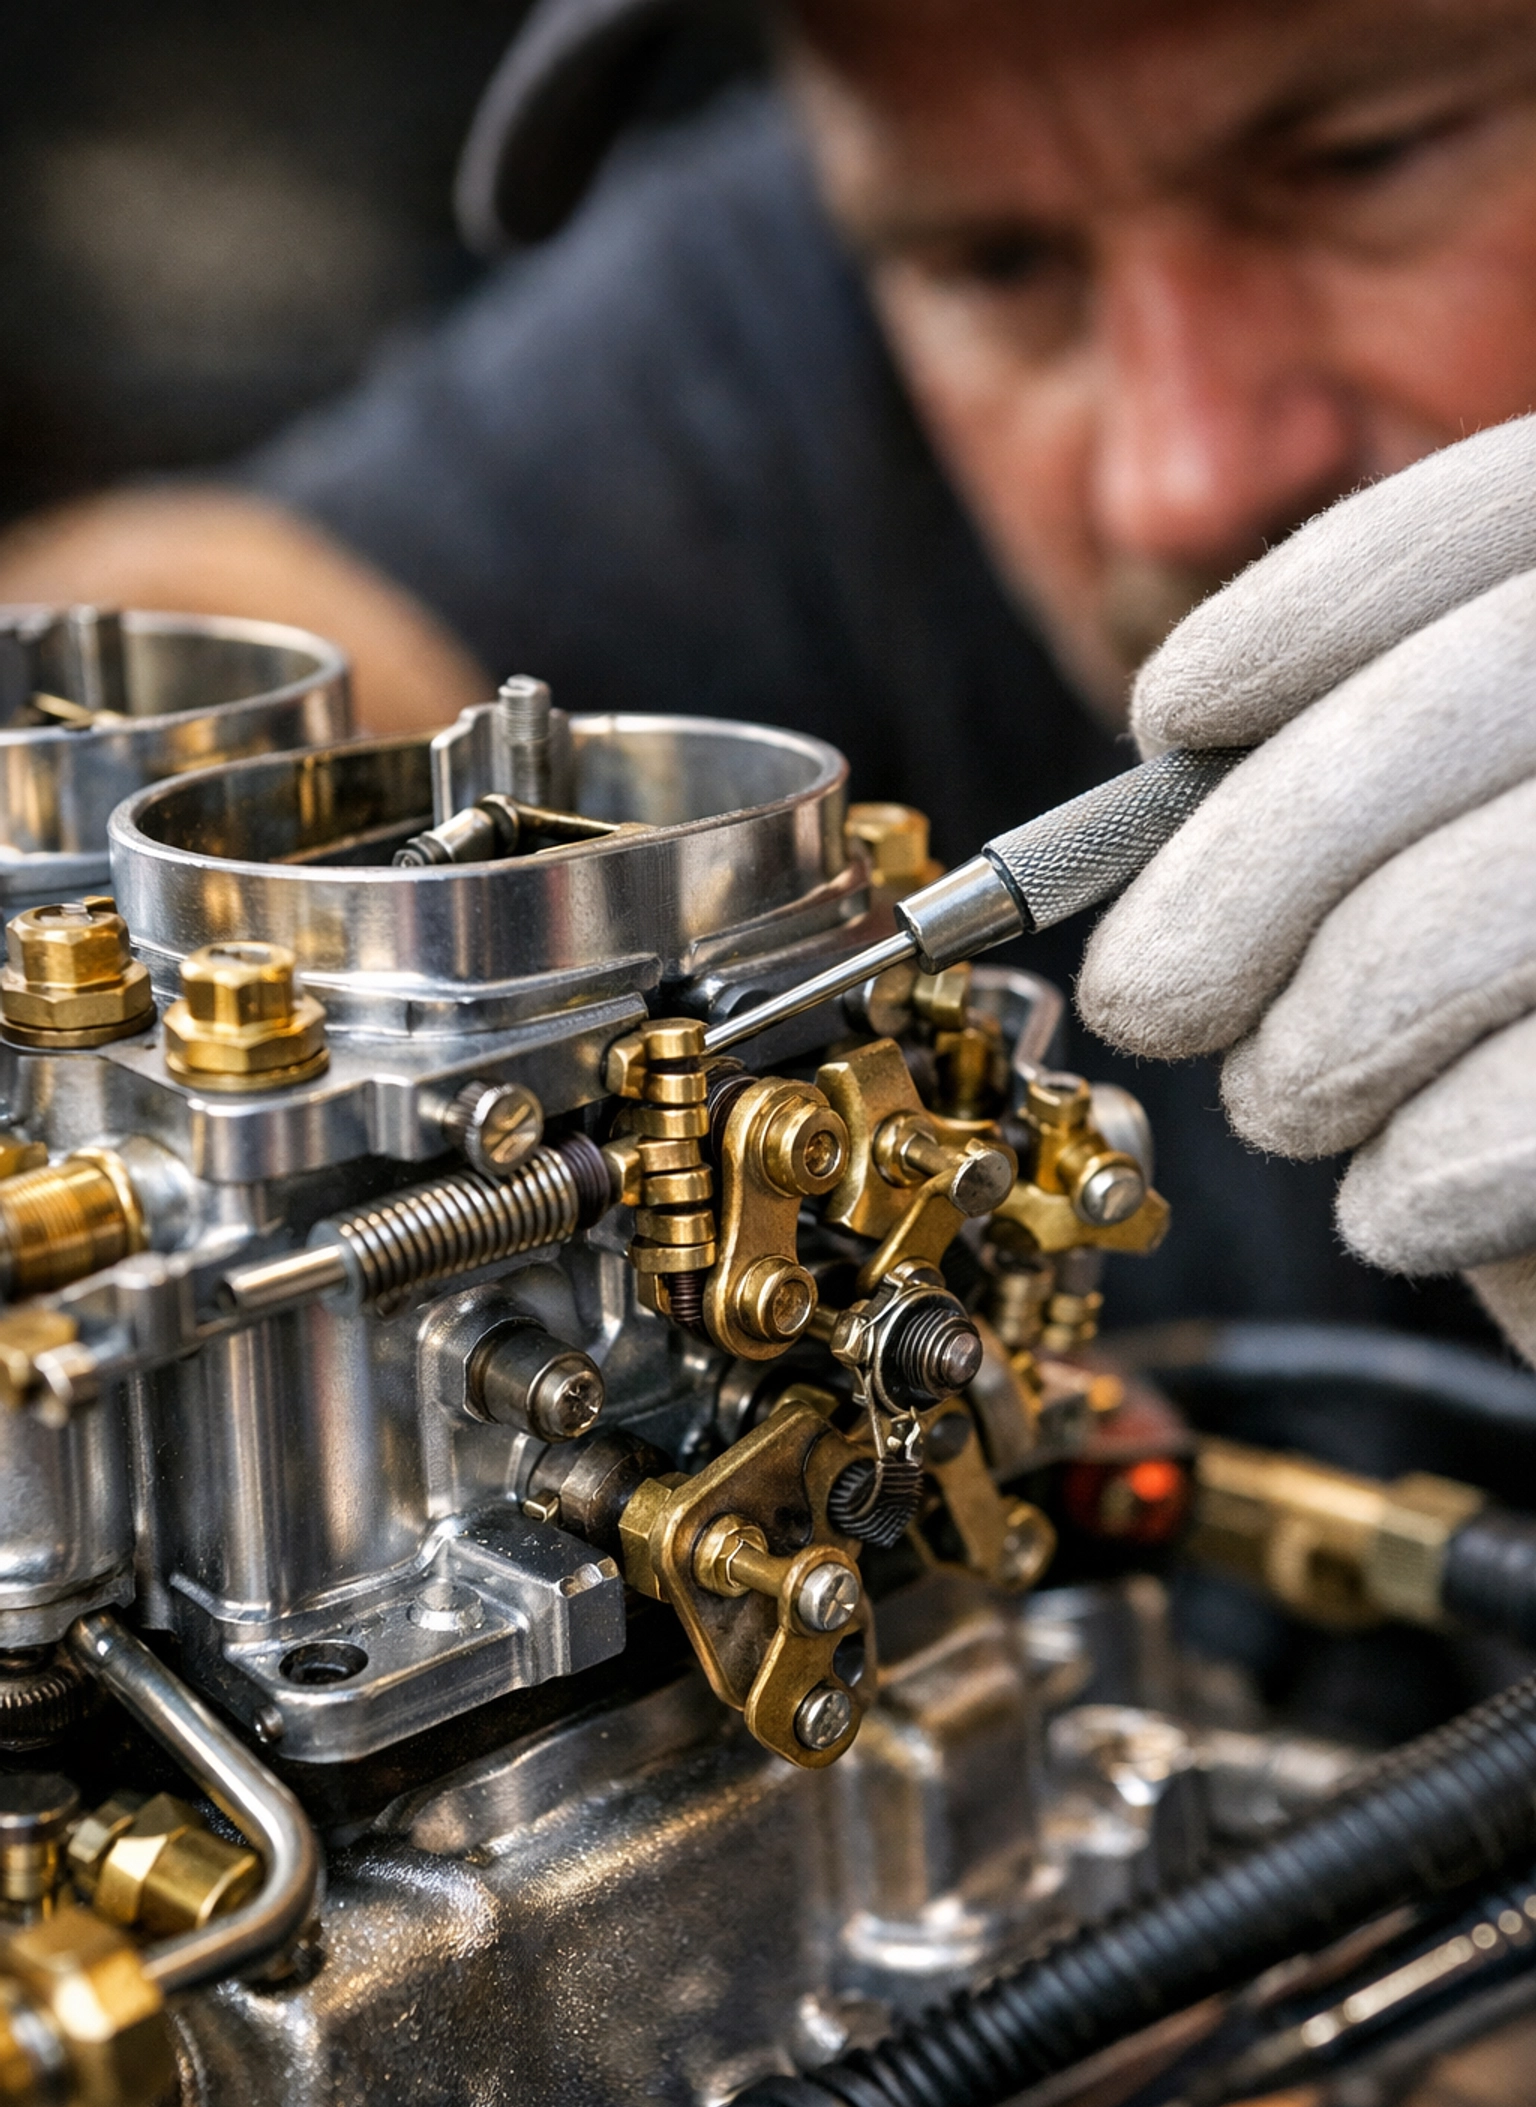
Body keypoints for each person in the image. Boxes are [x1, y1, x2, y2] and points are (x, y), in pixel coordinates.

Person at [3, 0, 1535, 1373]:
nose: (1178, 481)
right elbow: (204, 619)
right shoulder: (831, 250)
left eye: (1365, 159)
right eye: (998, 265)